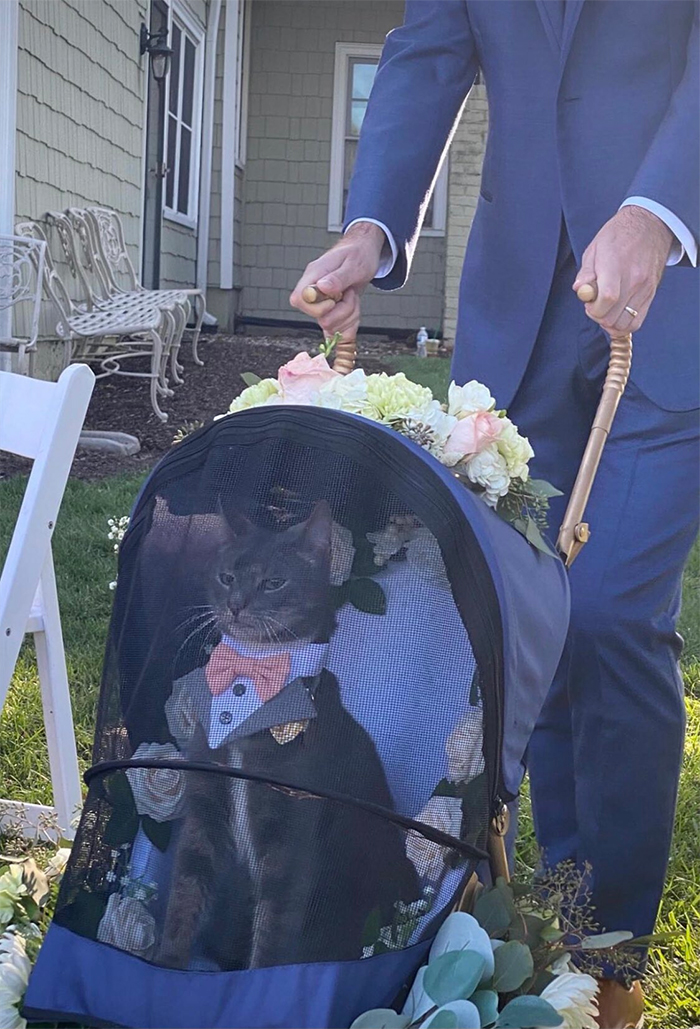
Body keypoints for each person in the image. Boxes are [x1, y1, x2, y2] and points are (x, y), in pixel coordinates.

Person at [290, 3, 699, 1026]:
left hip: (674, 300)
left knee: (604, 617)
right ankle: (546, 924)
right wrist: (367, 230)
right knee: (528, 623)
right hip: (516, 311)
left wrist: (657, 209)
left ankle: (605, 967)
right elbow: (427, 49)